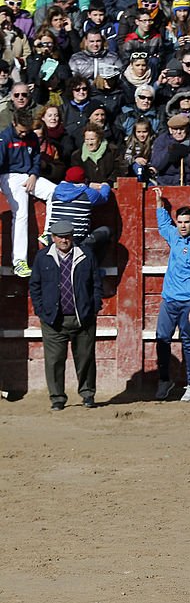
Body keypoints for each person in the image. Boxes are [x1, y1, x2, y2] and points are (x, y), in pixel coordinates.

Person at [27, 219, 103, 411]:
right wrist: (41, 311)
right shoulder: (42, 257)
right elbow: (35, 286)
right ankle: (57, 398)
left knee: (85, 358)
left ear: (72, 236)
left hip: (82, 316)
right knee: (54, 361)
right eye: (60, 237)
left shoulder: (86, 255)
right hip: (53, 318)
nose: (64, 240)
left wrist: (93, 308)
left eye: (67, 236)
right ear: (53, 238)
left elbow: (96, 283)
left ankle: (87, 394)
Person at [153, 187, 190, 403]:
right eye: (180, 222)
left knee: (189, 343)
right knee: (162, 340)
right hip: (169, 300)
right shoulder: (174, 236)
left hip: (188, 302)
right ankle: (165, 380)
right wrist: (160, 205)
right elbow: (163, 225)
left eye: (187, 222)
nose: (183, 226)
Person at [0, 108, 58, 277]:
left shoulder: (32, 136)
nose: (24, 134)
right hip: (9, 176)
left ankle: (48, 233)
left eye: (27, 131)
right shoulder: (4, 138)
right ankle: (19, 261)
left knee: (55, 192)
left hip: (29, 175)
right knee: (21, 213)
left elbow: (36, 159)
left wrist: (33, 174)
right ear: (14, 124)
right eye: (21, 131)